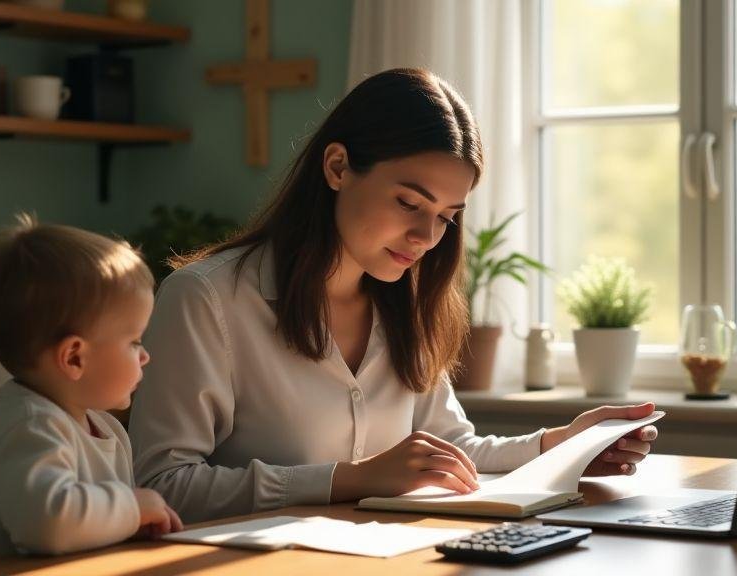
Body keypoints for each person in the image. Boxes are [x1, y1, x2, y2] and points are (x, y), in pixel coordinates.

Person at [129, 68, 659, 524]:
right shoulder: (206, 300)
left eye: (447, 217)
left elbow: (452, 454)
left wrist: (562, 445)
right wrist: (346, 479)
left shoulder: (406, 306)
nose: (428, 237)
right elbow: (163, 484)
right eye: (409, 203)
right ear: (337, 168)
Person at [0, 215, 183, 568]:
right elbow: (48, 524)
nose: (145, 355)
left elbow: (83, 532)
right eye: (134, 341)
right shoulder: (30, 426)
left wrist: (127, 528)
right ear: (74, 357)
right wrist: (132, 508)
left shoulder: (106, 428)